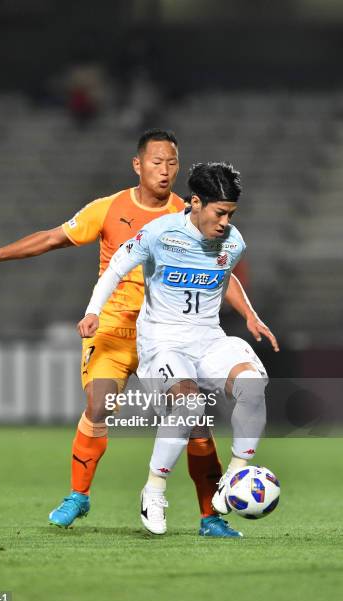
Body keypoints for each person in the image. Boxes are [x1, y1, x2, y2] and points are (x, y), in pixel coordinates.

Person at [0, 131, 276, 537]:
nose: (165, 170)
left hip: (175, 333)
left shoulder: (195, 213)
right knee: (101, 403)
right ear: (138, 165)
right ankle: (79, 495)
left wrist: (248, 312)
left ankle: (209, 515)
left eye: (172, 162)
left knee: (195, 420)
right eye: (157, 162)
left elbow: (219, 273)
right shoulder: (110, 209)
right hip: (117, 327)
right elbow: (56, 237)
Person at [78, 161, 279, 536]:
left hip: (208, 338)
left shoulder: (233, 243)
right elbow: (117, 268)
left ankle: (234, 477)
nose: (225, 222)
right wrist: (93, 312)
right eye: (219, 212)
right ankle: (153, 490)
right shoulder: (159, 233)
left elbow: (226, 274)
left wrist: (250, 315)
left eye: (231, 214)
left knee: (252, 386)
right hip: (162, 342)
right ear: (196, 203)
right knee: (189, 405)